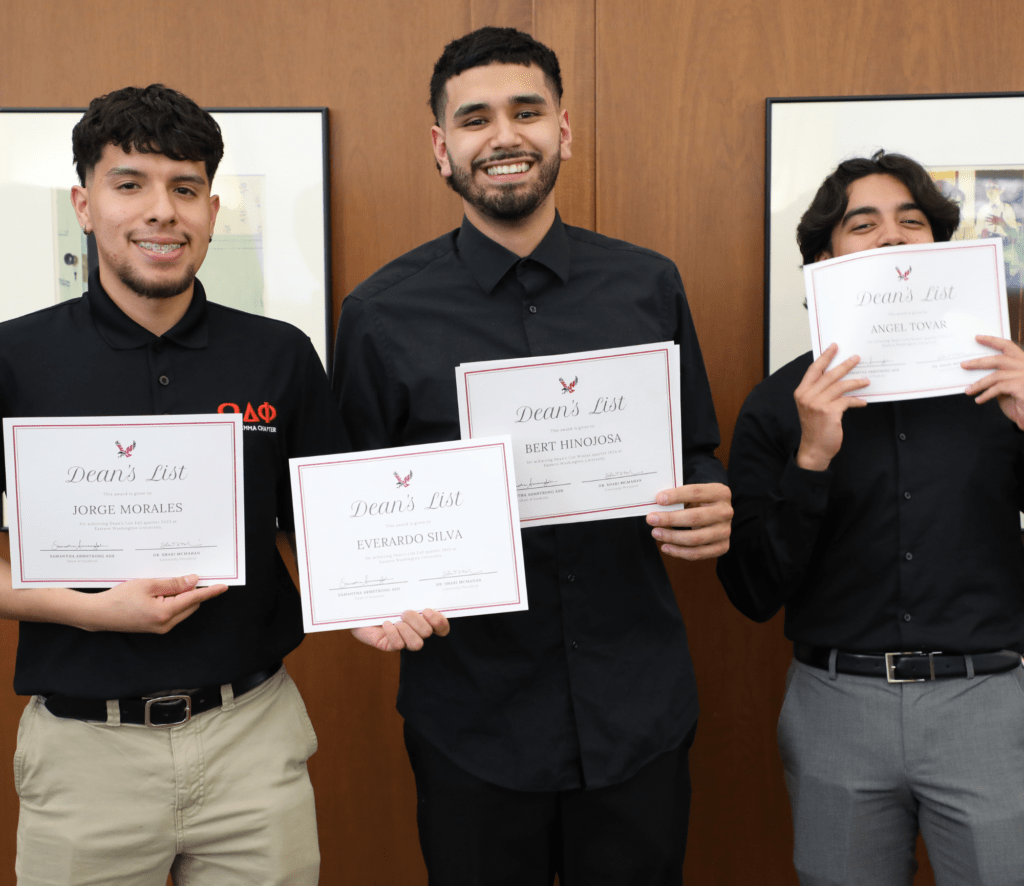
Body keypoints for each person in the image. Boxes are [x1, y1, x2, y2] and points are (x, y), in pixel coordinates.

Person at [332, 26, 732, 886]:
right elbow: (354, 512)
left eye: (528, 111)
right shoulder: (379, 314)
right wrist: (376, 591)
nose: (504, 136)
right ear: (443, 147)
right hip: (472, 720)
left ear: (564, 131)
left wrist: (710, 501)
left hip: (638, 710)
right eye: (475, 119)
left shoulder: (648, 285)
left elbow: (697, 454)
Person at [0, 84, 353, 885]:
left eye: (185, 188)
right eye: (131, 184)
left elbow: (329, 531)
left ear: (212, 209)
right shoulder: (14, 360)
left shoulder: (279, 355)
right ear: (84, 204)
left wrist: (387, 591)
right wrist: (91, 611)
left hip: (252, 739)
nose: (163, 210)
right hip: (86, 757)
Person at [718, 150, 1024, 886]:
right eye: (865, 224)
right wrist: (812, 459)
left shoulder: (1009, 386)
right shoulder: (776, 404)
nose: (892, 237)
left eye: (911, 222)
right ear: (825, 258)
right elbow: (753, 591)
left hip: (986, 704)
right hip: (835, 710)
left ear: (938, 253)